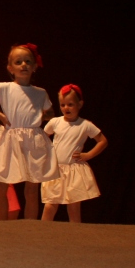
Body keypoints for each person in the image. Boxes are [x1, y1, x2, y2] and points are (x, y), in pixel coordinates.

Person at [0, 43, 57, 220]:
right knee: (1, 183)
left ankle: (30, 226)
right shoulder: (4, 88)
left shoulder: (40, 93)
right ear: (10, 68)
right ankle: (3, 226)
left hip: (33, 140)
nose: (23, 65)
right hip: (11, 138)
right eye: (18, 62)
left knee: (32, 187)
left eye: (27, 61)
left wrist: (37, 118)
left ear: (34, 66)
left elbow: (50, 113)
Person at [41, 84, 108, 223]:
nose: (66, 108)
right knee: (50, 204)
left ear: (80, 104)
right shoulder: (55, 122)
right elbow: (42, 138)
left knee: (74, 206)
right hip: (56, 170)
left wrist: (88, 155)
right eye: (63, 105)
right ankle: (42, 231)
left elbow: (102, 141)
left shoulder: (85, 125)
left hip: (74, 170)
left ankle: (75, 233)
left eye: (70, 104)